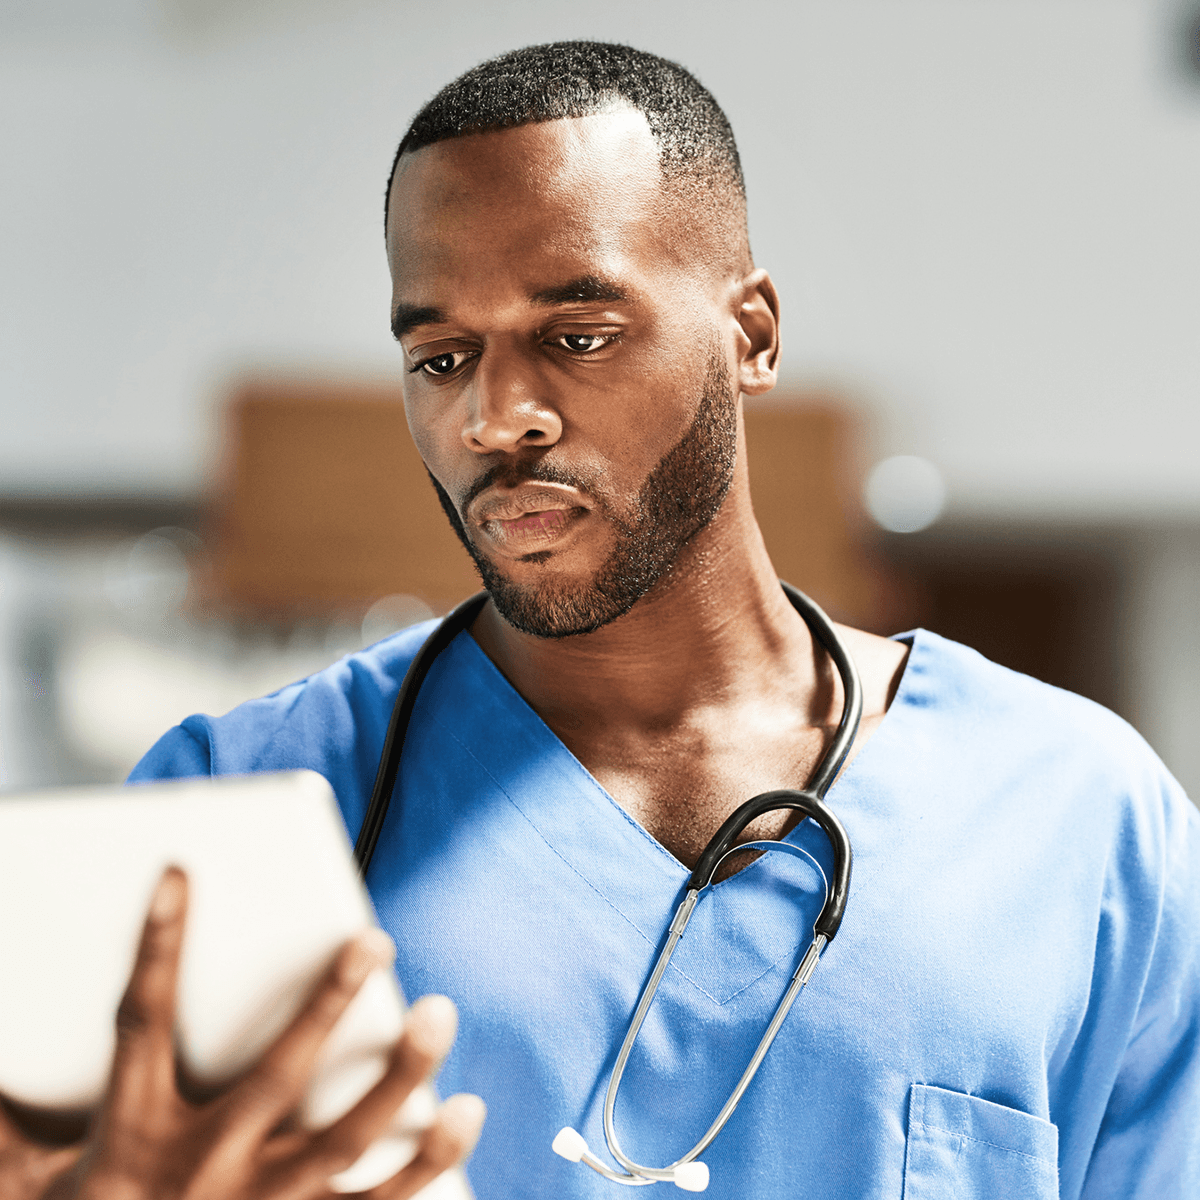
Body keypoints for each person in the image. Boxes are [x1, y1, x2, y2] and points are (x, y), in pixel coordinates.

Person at [4, 40, 1198, 1200]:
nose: (495, 415)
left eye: (577, 337)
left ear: (753, 336)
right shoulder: (237, 813)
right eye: (441, 355)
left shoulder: (1082, 821)